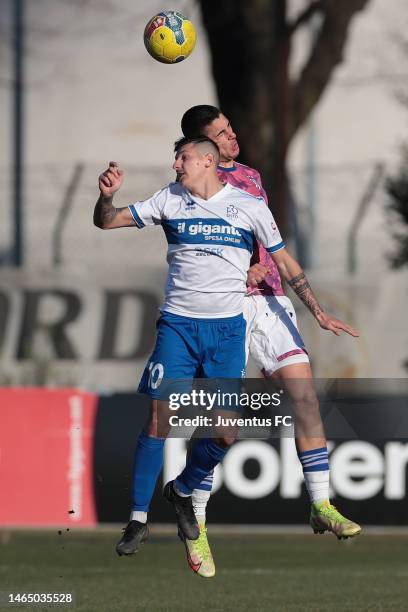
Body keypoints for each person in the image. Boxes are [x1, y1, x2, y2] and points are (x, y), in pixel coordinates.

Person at [174, 105, 361, 576]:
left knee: (305, 396)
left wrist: (316, 311)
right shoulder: (186, 190)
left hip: (271, 302)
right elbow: (191, 248)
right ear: (204, 149)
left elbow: (273, 245)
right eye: (222, 134)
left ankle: (321, 503)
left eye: (232, 128)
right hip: (224, 308)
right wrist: (236, 269)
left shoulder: (252, 177)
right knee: (223, 424)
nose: (233, 137)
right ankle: (194, 522)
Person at [94, 136, 287, 575]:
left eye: (181, 157)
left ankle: (181, 491)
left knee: (225, 434)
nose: (174, 163)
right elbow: (106, 223)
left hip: (226, 331)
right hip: (178, 327)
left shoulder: (249, 206)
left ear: (206, 161)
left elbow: (280, 258)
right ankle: (137, 520)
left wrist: (300, 300)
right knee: (159, 419)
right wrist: (106, 198)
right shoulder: (169, 199)